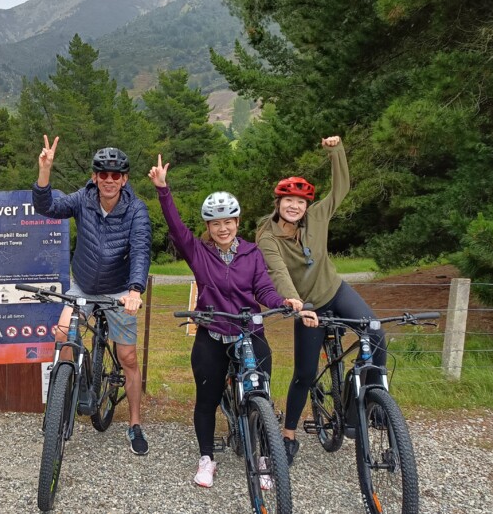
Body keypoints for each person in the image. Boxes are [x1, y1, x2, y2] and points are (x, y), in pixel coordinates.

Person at [149, 155, 315, 487]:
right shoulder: (198, 252)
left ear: (237, 222)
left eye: (229, 221)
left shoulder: (251, 253)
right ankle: (207, 457)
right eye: (215, 223)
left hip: (249, 330)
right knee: (207, 399)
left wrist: (283, 301)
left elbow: (264, 288)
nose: (222, 228)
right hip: (212, 332)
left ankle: (265, 453)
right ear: (208, 228)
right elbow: (176, 228)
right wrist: (163, 190)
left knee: (261, 396)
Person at [255, 135, 381, 466]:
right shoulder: (266, 235)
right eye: (288, 200)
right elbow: (278, 272)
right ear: (278, 202)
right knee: (305, 373)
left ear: (306, 206)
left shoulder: (319, 216)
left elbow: (342, 188)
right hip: (307, 304)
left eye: (300, 202)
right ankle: (289, 434)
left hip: (335, 290)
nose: (294, 206)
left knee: (377, 334)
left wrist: (336, 152)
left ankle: (367, 406)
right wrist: (296, 304)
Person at [32, 135, 152, 455]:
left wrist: (135, 290)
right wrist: (45, 170)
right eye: (103, 174)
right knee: (62, 335)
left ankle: (135, 423)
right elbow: (47, 206)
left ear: (124, 179)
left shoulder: (136, 210)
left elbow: (140, 251)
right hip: (83, 285)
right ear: (94, 177)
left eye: (116, 175)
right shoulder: (83, 199)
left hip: (118, 290)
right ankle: (63, 399)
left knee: (127, 358)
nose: (109, 180)